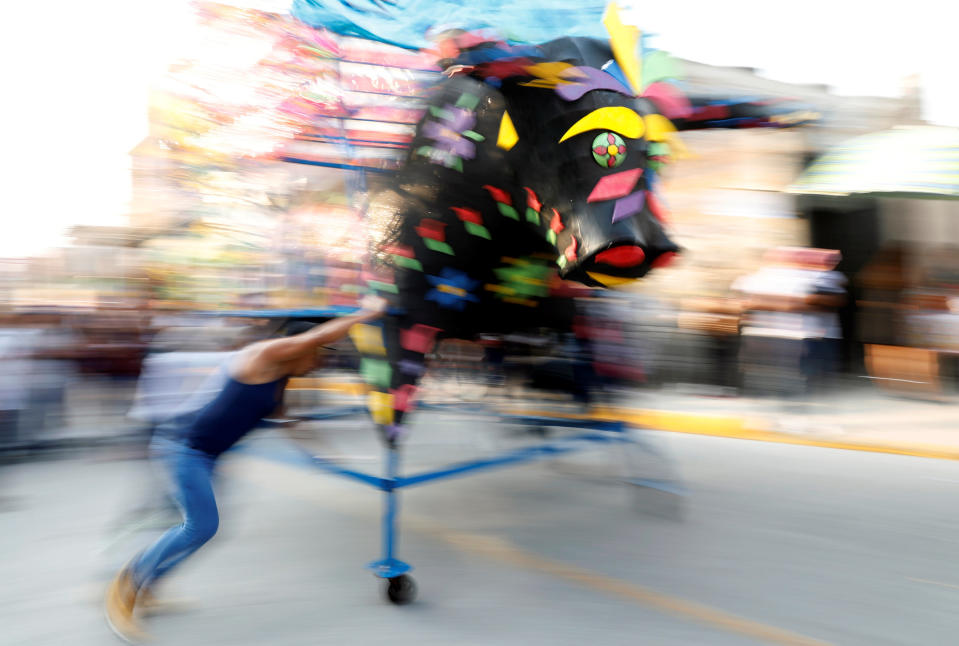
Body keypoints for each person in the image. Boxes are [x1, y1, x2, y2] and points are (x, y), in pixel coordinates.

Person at [104, 296, 388, 642]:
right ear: (298, 348)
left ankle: (148, 585)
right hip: (183, 449)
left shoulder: (280, 380)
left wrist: (325, 457)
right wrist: (367, 314)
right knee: (201, 526)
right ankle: (127, 585)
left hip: (207, 456)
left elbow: (289, 423)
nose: (318, 364)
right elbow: (312, 338)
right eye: (318, 356)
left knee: (206, 529)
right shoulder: (265, 355)